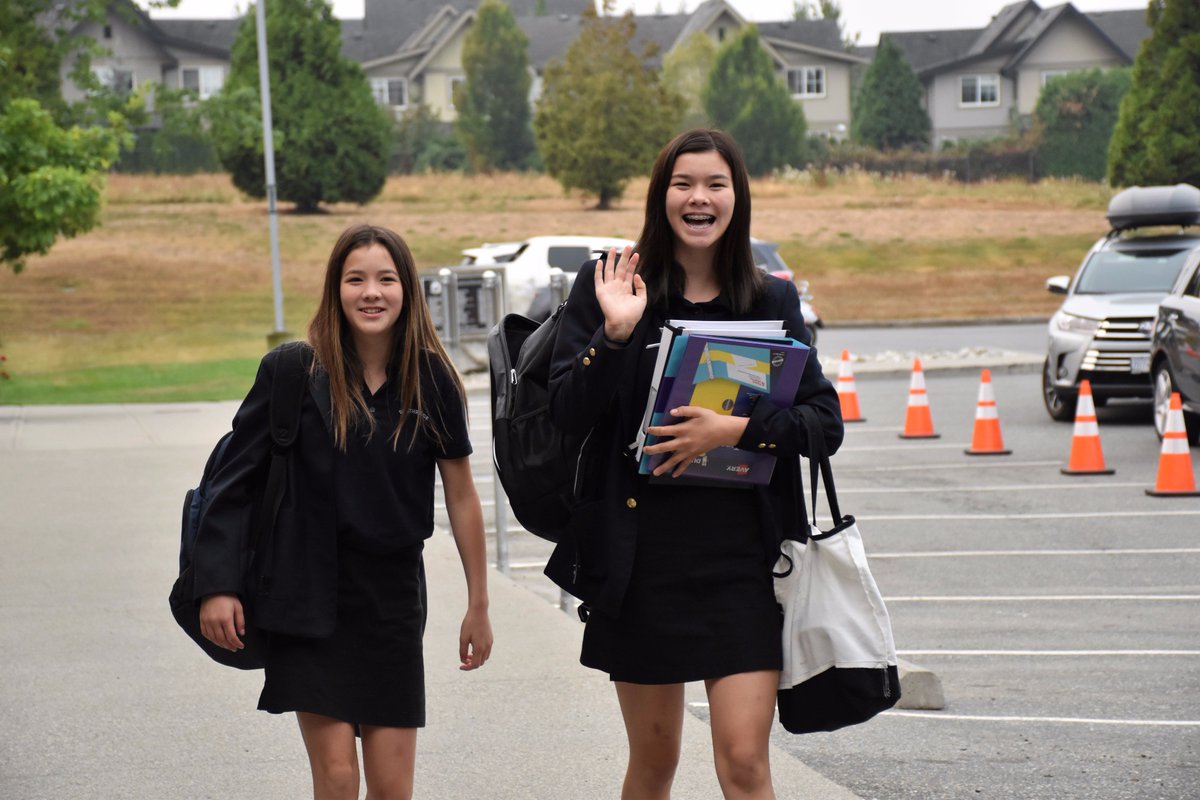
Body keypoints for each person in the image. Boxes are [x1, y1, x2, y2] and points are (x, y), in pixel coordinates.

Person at [545, 129, 843, 799]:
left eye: (715, 184)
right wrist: (614, 335)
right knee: (654, 766)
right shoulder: (614, 286)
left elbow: (824, 425)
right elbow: (564, 411)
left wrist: (731, 427)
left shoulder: (772, 301)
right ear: (661, 196)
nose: (699, 198)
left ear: (737, 197)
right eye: (684, 184)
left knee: (744, 763)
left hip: (743, 569)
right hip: (640, 568)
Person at [193, 224, 493, 800]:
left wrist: (478, 604)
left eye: (386, 278)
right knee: (335, 778)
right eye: (355, 279)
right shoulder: (293, 374)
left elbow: (462, 495)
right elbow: (232, 486)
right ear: (336, 290)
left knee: (390, 787)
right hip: (305, 598)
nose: (371, 292)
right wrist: (217, 584)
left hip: (391, 604)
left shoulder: (431, 380)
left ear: (408, 289)